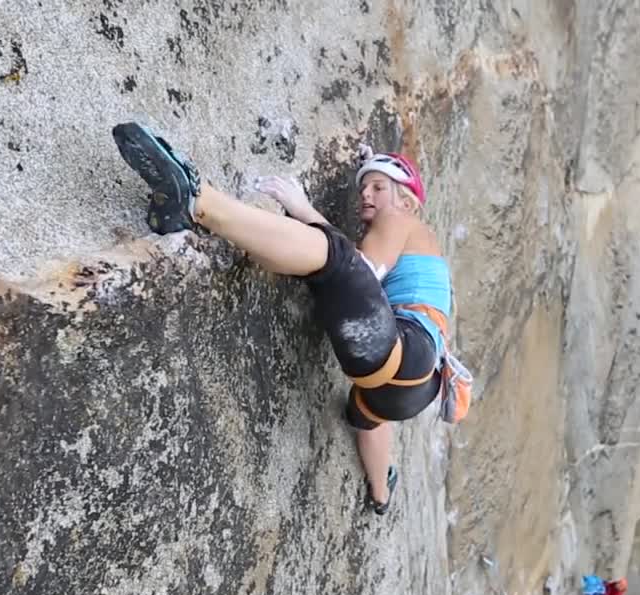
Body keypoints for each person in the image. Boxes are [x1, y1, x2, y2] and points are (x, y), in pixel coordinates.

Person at [110, 122, 453, 516]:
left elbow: (362, 268)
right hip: (406, 390)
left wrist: (305, 209)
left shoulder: (402, 219)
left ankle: (197, 199)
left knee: (335, 262)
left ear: (408, 202)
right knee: (367, 416)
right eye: (363, 189)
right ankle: (382, 492)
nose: (365, 196)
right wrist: (379, 494)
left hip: (407, 353)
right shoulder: (417, 243)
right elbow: (362, 291)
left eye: (377, 188)